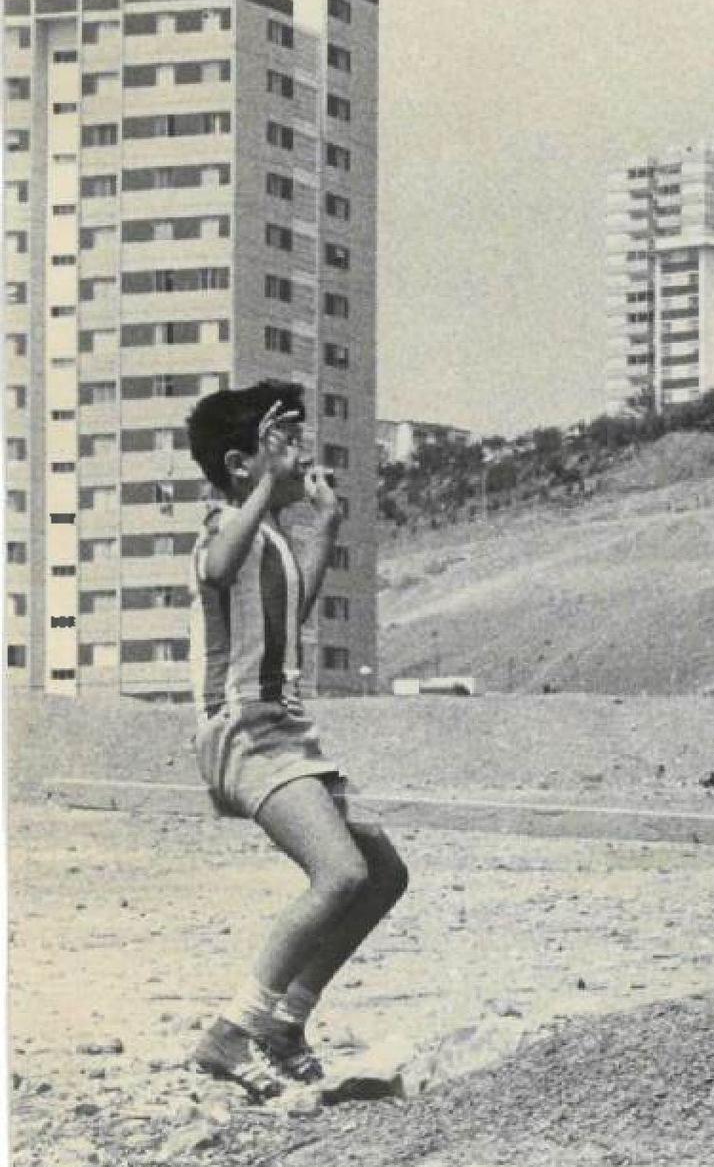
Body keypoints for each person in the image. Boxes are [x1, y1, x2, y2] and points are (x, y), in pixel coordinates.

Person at [183, 381, 410, 1099]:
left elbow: (298, 604)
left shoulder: (272, 537)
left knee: (382, 873)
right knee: (340, 873)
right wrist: (264, 491)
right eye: (278, 444)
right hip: (244, 729)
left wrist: (327, 524)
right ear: (238, 463)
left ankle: (286, 1020)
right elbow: (219, 567)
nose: (296, 455)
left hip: (283, 729)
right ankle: (233, 1029)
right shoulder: (222, 523)